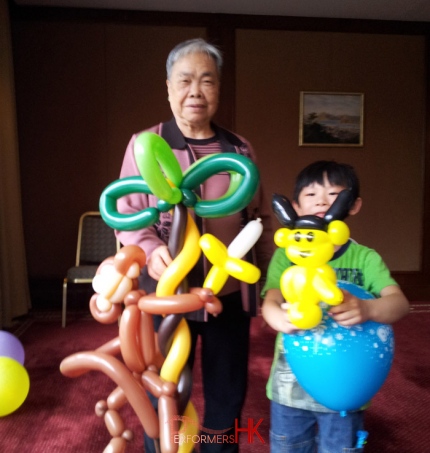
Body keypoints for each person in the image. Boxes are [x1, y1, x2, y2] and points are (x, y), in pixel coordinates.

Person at [116, 38, 274, 452]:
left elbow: (259, 218)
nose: (195, 92)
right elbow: (129, 214)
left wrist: (270, 280)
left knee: (227, 391)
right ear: (168, 87)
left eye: (207, 81)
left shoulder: (238, 149)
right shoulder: (146, 144)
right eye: (185, 80)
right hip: (167, 291)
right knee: (164, 388)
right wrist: (150, 250)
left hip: (225, 291)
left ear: (218, 89)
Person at [261, 160, 410, 453]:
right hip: (290, 381)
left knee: (340, 447)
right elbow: (271, 301)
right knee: (287, 445)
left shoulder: (365, 258)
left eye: (332, 194)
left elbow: (400, 304)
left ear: (351, 205)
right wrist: (278, 317)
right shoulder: (285, 256)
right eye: (312, 194)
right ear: (295, 207)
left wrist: (368, 310)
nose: (321, 201)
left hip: (348, 381)